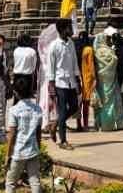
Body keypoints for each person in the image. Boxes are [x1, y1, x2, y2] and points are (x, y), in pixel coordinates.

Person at [0, 76, 43, 193]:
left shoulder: (14, 110)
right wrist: (38, 147)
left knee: (10, 182)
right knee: (35, 182)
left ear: (16, 93)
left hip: (18, 152)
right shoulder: (37, 109)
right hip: (33, 150)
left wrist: (7, 155)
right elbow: (38, 134)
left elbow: (11, 136)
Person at [45, 18, 80, 149]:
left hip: (71, 81)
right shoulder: (54, 46)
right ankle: (63, 141)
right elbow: (51, 67)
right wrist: (51, 85)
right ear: (63, 29)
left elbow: (75, 62)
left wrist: (78, 80)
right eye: (69, 28)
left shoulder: (71, 43)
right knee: (62, 110)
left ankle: (55, 124)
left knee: (74, 107)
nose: (71, 30)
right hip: (59, 82)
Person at [91, 27, 123, 131]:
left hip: (101, 81)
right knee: (110, 102)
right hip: (109, 79)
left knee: (101, 102)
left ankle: (100, 124)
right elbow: (114, 62)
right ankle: (109, 124)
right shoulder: (109, 51)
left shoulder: (96, 52)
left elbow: (96, 66)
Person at [12, 33, 39, 104]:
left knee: (17, 97)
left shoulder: (16, 50)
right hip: (28, 76)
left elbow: (15, 62)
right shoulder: (32, 51)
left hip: (17, 76)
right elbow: (34, 65)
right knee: (27, 98)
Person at [77, 31, 95, 131]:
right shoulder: (88, 49)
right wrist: (95, 78)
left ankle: (79, 124)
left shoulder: (77, 49)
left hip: (78, 78)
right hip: (87, 78)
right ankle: (86, 124)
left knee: (79, 103)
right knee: (86, 103)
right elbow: (91, 65)